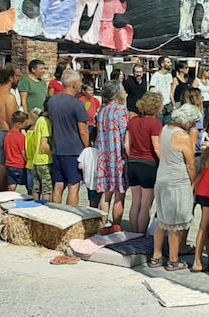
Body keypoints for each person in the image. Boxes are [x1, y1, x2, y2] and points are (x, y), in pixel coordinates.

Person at [148, 104, 202, 272]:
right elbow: (191, 165)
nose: (193, 125)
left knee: (162, 220)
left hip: (162, 177)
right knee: (176, 224)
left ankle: (156, 256)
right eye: (193, 122)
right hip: (177, 182)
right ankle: (173, 259)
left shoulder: (165, 129)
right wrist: (193, 183)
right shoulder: (182, 136)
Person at [47, 69, 89, 205]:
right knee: (74, 185)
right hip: (73, 149)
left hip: (57, 147)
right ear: (75, 84)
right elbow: (83, 131)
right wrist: (88, 147)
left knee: (58, 184)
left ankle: (55, 212)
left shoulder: (52, 101)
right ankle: (71, 213)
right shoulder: (77, 104)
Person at [125, 91, 163, 234]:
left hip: (133, 163)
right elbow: (156, 147)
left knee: (135, 201)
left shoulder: (133, 121)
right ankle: (141, 234)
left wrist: (132, 156)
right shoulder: (155, 123)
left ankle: (133, 232)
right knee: (146, 204)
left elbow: (127, 145)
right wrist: (165, 162)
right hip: (148, 164)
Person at [94, 81, 128, 232]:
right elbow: (124, 134)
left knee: (106, 193)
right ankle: (116, 225)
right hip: (118, 155)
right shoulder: (121, 110)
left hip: (104, 154)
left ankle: (103, 224)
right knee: (119, 193)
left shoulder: (102, 111)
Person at [0, 65, 20, 192]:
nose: (18, 79)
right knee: (4, 168)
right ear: (10, 78)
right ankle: (1, 194)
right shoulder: (9, 96)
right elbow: (12, 119)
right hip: (6, 133)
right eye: (16, 76)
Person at [191, 142, 209, 273]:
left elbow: (201, 173)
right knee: (204, 227)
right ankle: (197, 260)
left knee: (205, 226)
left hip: (201, 191)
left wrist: (193, 188)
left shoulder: (208, 152)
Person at [27, 104, 54, 201]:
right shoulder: (46, 122)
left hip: (36, 159)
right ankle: (46, 205)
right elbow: (44, 144)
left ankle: (35, 204)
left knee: (36, 186)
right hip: (45, 159)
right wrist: (53, 153)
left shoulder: (39, 120)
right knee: (47, 188)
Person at [4, 111, 31, 192]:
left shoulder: (7, 135)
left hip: (9, 164)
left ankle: (10, 197)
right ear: (18, 124)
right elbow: (23, 152)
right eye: (25, 123)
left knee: (12, 184)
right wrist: (28, 161)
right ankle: (31, 197)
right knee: (29, 184)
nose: (26, 125)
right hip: (20, 165)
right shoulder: (21, 137)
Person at [149, 56, 174, 124]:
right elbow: (152, 91)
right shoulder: (155, 76)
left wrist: (173, 105)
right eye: (168, 62)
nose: (170, 64)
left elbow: (170, 91)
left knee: (168, 126)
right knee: (158, 125)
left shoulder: (169, 76)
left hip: (168, 105)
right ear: (162, 64)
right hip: (159, 105)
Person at [196, 67, 209, 134]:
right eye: (207, 71)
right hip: (201, 103)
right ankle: (199, 134)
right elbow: (194, 92)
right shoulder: (197, 81)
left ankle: (207, 134)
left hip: (208, 102)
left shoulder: (208, 81)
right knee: (200, 120)